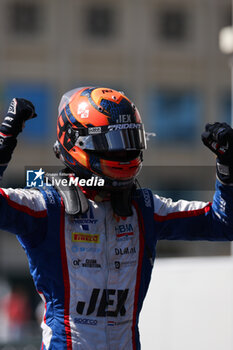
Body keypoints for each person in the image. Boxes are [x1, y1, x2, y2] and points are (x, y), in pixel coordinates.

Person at [0, 87, 233, 350]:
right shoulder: (48, 206)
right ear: (77, 143)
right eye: (113, 143)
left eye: (129, 141)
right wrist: (4, 141)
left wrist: (227, 171)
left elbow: (223, 223)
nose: (124, 153)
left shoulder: (145, 209)